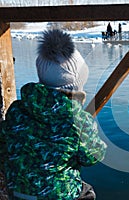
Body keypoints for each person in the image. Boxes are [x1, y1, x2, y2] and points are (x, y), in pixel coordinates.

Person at [0, 29, 107, 200]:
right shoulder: (78, 120)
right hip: (57, 195)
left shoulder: (17, 110)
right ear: (75, 86)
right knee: (86, 192)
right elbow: (93, 156)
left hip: (18, 193)